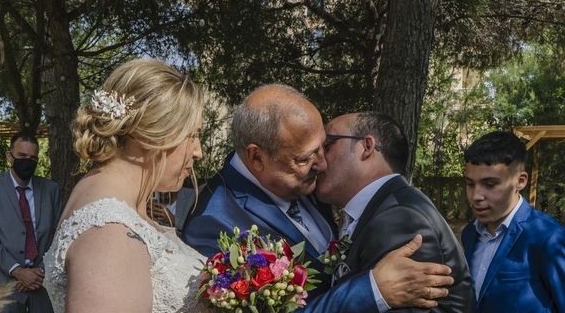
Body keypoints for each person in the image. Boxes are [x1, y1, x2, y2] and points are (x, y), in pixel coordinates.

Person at [183, 85, 454, 311]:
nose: (323, 165)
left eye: (323, 147)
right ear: (256, 157)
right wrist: (371, 291)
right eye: (305, 158)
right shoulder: (212, 224)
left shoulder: (307, 184)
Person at [43, 58, 209, 313]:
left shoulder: (109, 199)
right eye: (192, 135)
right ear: (149, 135)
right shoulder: (109, 232)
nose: (198, 152)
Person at [316, 111, 473, 312]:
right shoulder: (383, 208)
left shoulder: (400, 218)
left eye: (328, 145)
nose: (318, 160)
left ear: (366, 147)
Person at [462, 131, 565, 312]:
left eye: (490, 184)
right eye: (470, 183)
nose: (476, 196)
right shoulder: (469, 233)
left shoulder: (548, 237)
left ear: (520, 181)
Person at [0, 133, 62, 313]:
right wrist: (18, 271)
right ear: (10, 156)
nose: (27, 161)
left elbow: (59, 236)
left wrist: (38, 273)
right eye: (22, 156)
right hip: (4, 284)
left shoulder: (51, 190)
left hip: (41, 283)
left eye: (32, 158)